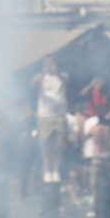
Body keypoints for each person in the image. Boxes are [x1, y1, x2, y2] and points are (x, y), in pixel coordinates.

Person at [31, 55, 69, 183]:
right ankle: (47, 171)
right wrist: (43, 73)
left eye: (51, 62)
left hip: (59, 115)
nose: (49, 65)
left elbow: (67, 81)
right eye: (47, 63)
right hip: (45, 115)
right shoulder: (41, 77)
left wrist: (56, 72)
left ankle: (56, 171)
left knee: (59, 144)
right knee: (44, 144)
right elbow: (32, 83)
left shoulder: (62, 75)